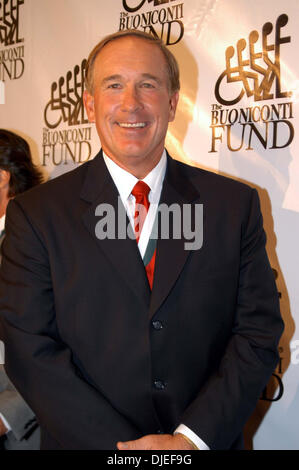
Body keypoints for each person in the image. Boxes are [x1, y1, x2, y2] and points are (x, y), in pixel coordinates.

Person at [0, 31, 284, 450]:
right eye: (114, 84)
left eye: (148, 84)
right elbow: (30, 350)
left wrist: (190, 441)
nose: (131, 102)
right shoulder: (38, 215)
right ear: (90, 104)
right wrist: (125, 451)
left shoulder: (232, 206)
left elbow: (257, 334)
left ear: (172, 103)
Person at [0, 129, 43, 450]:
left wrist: (7, 414)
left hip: (20, 432)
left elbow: (63, 341)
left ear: (2, 178)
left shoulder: (38, 240)